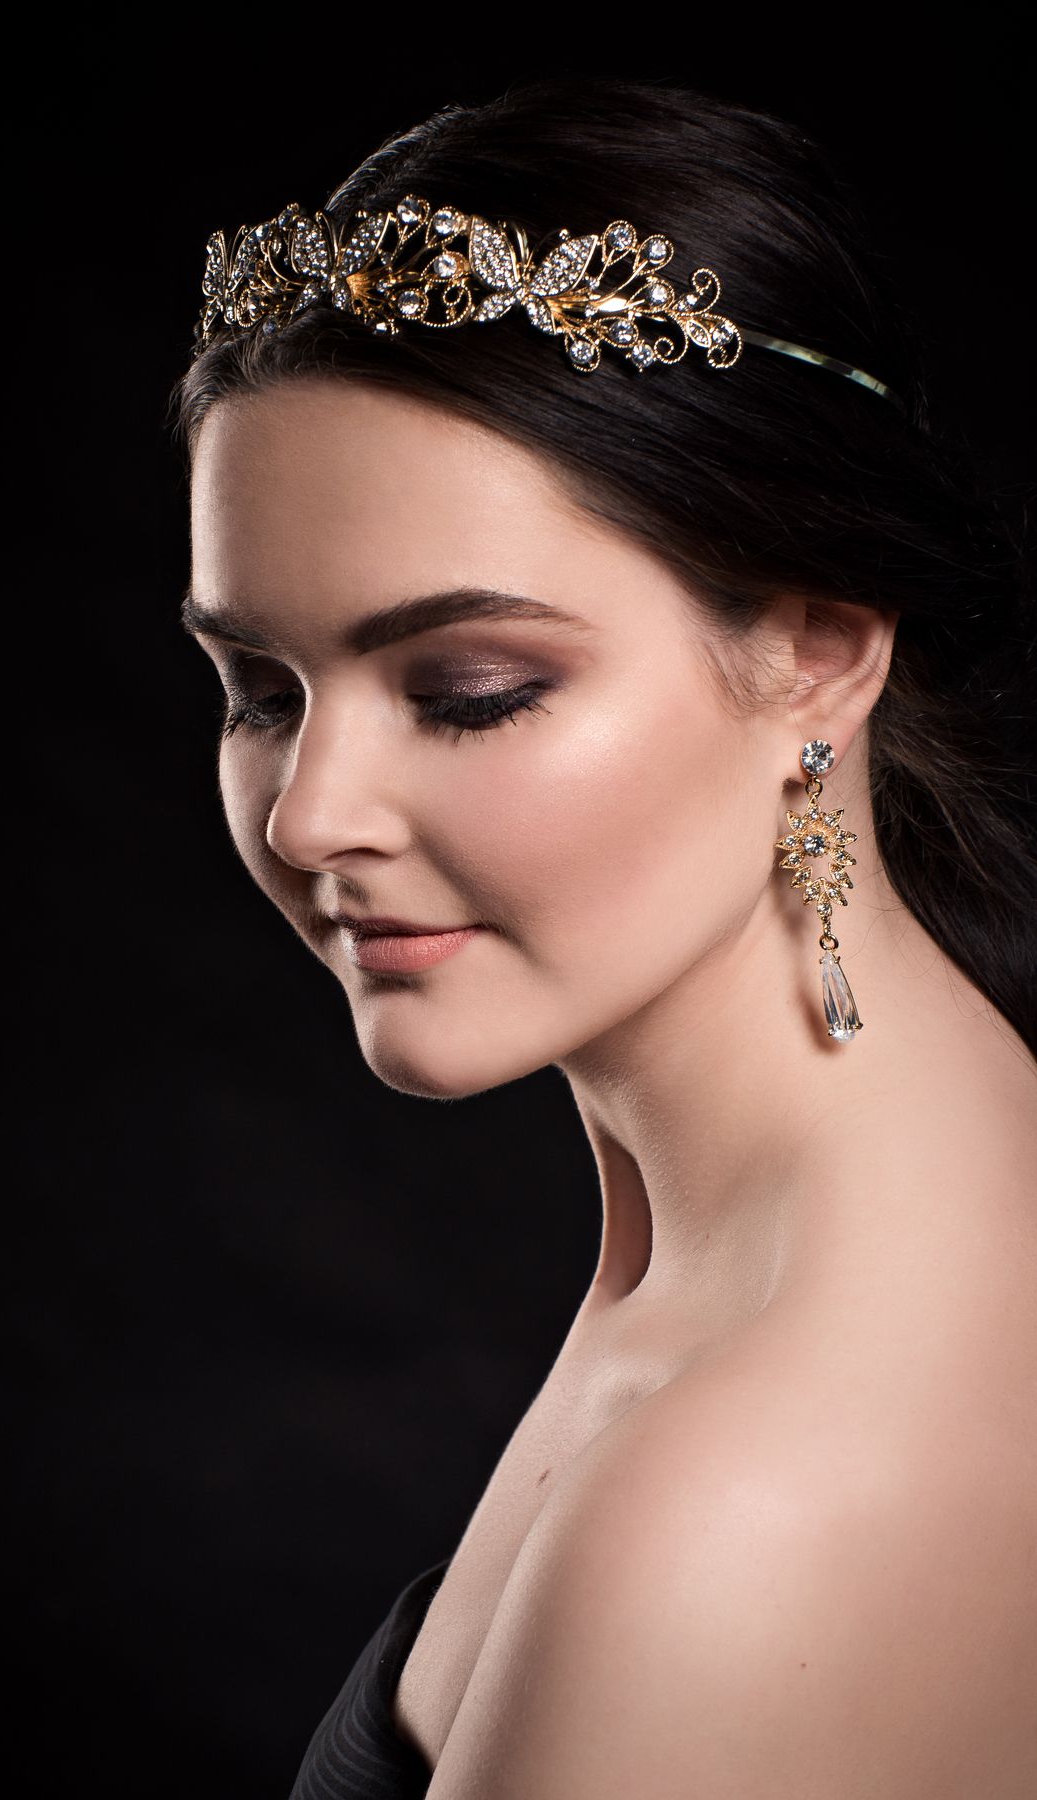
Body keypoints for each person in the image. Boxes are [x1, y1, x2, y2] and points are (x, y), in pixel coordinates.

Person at [170, 76, 1037, 1798]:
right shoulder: (798, 1228)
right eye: (260, 689)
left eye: (468, 690)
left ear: (814, 653)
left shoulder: (758, 1498)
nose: (308, 815)